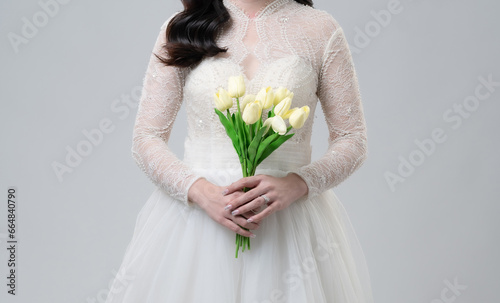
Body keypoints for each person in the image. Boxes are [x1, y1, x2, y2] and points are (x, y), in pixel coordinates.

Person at [105, 0, 374, 302]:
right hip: (196, 223)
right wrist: (200, 191)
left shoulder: (320, 29)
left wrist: (297, 183)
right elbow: (146, 137)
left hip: (289, 224)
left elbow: (352, 139)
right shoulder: (184, 26)